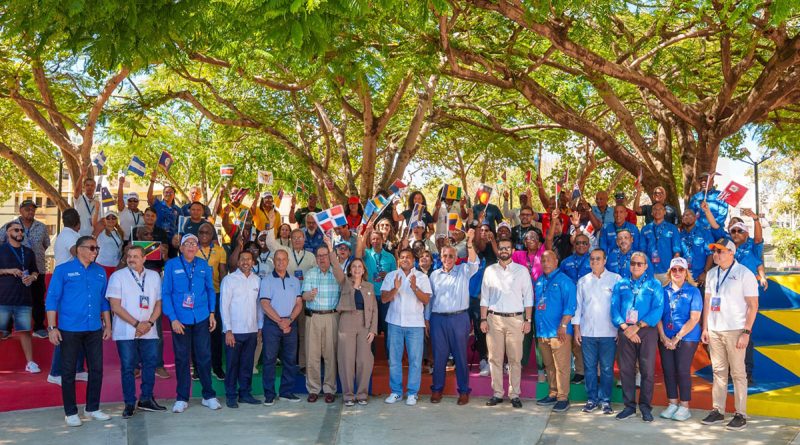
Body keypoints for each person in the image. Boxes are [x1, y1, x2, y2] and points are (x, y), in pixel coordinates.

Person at [45, 236, 112, 427]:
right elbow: (52, 299)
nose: (95, 251)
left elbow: (104, 301)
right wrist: (52, 327)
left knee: (97, 369)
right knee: (68, 371)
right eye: (92, 248)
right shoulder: (63, 270)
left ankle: (92, 408)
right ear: (79, 249)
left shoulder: (100, 271)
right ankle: (71, 412)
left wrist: (108, 325)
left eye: (97, 248)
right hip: (70, 329)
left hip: (94, 328)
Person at [700, 239, 758, 431]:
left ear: (731, 252)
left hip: (735, 330)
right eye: (714, 251)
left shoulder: (744, 274)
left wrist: (746, 332)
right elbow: (708, 302)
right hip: (715, 329)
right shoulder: (711, 273)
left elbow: (753, 305)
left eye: (720, 251)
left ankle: (741, 414)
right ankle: (718, 410)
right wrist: (705, 328)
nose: (715, 254)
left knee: (738, 373)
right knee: (718, 372)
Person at [161, 234, 221, 413]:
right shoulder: (171, 265)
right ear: (180, 247)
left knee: (204, 357)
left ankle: (208, 395)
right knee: (182, 358)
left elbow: (210, 290)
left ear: (197, 248)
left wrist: (212, 313)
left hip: (201, 317)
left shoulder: (203, 265)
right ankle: (182, 398)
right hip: (180, 320)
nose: (191, 246)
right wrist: (173, 318)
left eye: (194, 243)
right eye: (187, 243)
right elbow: (166, 293)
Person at [107, 246, 166, 419]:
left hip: (149, 329)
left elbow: (158, 304)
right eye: (129, 256)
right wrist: (137, 324)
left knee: (150, 364)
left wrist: (149, 323)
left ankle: (146, 399)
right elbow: (115, 306)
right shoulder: (118, 276)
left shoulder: (154, 276)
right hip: (126, 330)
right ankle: (129, 403)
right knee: (128, 367)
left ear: (144, 258)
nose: (131, 259)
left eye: (136, 256)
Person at [610, 251, 664, 422]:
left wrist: (637, 327)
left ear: (646, 266)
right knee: (626, 370)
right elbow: (614, 308)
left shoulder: (654, 284)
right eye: (633, 263)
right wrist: (626, 328)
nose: (635, 266)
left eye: (639, 263)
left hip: (646, 330)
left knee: (647, 371)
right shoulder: (621, 284)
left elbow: (658, 309)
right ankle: (629, 407)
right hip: (625, 329)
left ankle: (646, 407)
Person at [427, 230, 479, 405]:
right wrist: (427, 319)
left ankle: (463, 391)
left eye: (451, 256)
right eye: (445, 256)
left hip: (459, 318)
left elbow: (474, 262)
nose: (448, 259)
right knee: (439, 356)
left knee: (460, 356)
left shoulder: (464, 270)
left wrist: (469, 243)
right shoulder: (434, 275)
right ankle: (437, 390)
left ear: (456, 257)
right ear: (440, 257)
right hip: (438, 319)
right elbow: (430, 300)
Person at [481, 239, 534, 409]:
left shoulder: (522, 271)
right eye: (501, 248)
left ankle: (514, 394)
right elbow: (484, 297)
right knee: (494, 358)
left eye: (507, 248)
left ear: (512, 250)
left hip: (515, 320)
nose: (504, 250)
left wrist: (528, 320)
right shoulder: (490, 271)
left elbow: (528, 297)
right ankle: (497, 393)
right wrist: (483, 319)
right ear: (498, 250)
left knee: (515, 359)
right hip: (494, 319)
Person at [381, 248, 432, 406]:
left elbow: (426, 300)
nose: (405, 259)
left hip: (415, 324)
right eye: (402, 257)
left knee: (415, 361)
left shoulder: (422, 277)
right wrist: (395, 288)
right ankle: (396, 392)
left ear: (413, 260)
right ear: (399, 260)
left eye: (408, 257)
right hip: (395, 323)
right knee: (394, 360)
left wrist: (415, 287)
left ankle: (412, 393)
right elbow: (384, 299)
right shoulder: (391, 276)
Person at [573, 249, 620, 415]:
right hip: (587, 332)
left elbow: (620, 306)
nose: (594, 262)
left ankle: (606, 401)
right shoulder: (583, 281)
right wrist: (577, 329)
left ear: (605, 260)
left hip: (609, 332)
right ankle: (592, 399)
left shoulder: (615, 279)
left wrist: (619, 330)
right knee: (590, 368)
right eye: (592, 259)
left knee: (607, 369)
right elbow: (578, 307)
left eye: (598, 259)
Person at [657, 258, 702, 422]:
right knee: (668, 370)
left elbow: (694, 318)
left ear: (686, 272)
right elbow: (658, 316)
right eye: (674, 269)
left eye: (680, 269)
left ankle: (684, 406)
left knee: (682, 370)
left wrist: (676, 338)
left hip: (687, 337)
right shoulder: (663, 291)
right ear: (669, 272)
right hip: (666, 337)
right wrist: (663, 337)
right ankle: (673, 403)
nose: (677, 272)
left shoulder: (693, 291)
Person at [47, 209, 88, 386]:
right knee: (67, 330)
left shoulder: (68, 234)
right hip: (68, 284)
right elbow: (79, 254)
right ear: (78, 222)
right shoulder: (69, 235)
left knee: (82, 328)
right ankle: (55, 372)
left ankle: (78, 369)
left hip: (75, 284)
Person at [301, 241, 345, 403]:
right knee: (312, 355)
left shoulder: (337, 273)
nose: (321, 259)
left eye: (324, 255)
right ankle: (313, 389)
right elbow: (303, 295)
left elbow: (345, 291)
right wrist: (308, 295)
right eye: (319, 256)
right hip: (313, 317)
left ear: (330, 256)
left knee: (330, 355)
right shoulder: (310, 273)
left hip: (332, 317)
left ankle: (329, 389)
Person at [534, 250, 577, 412]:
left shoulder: (565, 281)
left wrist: (563, 325)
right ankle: (553, 393)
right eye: (543, 261)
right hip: (542, 332)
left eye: (549, 260)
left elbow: (570, 306)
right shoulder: (539, 281)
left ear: (556, 261)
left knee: (561, 366)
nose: (545, 263)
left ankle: (563, 398)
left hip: (559, 332)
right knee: (549, 366)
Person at [0, 199, 50, 338]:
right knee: (11, 299)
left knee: (38, 299)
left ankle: (39, 327)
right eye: (27, 209)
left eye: (33, 209)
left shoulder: (42, 227)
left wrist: (33, 256)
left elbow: (45, 244)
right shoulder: (9, 226)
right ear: (20, 210)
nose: (30, 211)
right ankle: (6, 329)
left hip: (36, 270)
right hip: (14, 271)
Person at [219, 250, 263, 408]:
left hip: (251, 330)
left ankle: (245, 394)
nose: (246, 262)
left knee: (247, 365)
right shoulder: (229, 280)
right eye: (242, 259)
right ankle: (231, 395)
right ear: (237, 263)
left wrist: (260, 326)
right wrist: (228, 330)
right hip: (234, 331)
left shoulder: (257, 280)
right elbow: (224, 306)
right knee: (232, 365)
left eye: (249, 259)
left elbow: (259, 306)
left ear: (253, 262)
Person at [259, 249, 303, 405]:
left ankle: (286, 392)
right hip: (272, 324)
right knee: (269, 359)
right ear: (274, 261)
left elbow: (299, 303)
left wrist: (288, 320)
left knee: (290, 359)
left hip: (290, 323)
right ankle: (269, 394)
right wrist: (280, 321)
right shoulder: (266, 280)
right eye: (278, 259)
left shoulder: (295, 281)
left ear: (288, 261)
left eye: (284, 259)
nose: (281, 262)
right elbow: (265, 304)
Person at [337, 257, 378, 406]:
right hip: (347, 321)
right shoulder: (344, 282)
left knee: (364, 360)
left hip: (364, 324)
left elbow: (374, 309)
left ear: (363, 270)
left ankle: (362, 394)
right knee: (346, 359)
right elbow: (336, 268)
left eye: (359, 266)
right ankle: (348, 395)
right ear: (349, 269)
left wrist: (373, 330)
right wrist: (330, 250)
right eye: (353, 266)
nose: (356, 269)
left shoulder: (369, 286)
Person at [0, 221, 40, 373]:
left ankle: (30, 363)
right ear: (8, 232)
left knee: (25, 331)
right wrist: (9, 271)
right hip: (3, 299)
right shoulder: (1, 250)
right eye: (16, 230)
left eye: (21, 230)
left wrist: (32, 277)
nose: (20, 233)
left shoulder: (28, 252)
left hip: (23, 299)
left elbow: (35, 271)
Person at [197, 222, 228, 380]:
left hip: (214, 295)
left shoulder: (220, 250)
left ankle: (216, 367)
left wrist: (223, 295)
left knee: (215, 333)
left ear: (212, 235)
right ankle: (198, 368)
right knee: (197, 332)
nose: (204, 235)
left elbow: (222, 273)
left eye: (207, 232)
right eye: (201, 232)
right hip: (197, 296)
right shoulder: (192, 249)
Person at [359, 226, 397, 352]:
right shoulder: (366, 254)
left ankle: (389, 355)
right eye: (373, 239)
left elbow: (396, 277)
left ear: (383, 239)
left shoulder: (390, 257)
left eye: (377, 239)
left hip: (385, 297)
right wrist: (365, 234)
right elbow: (359, 252)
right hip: (370, 296)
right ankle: (371, 355)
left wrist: (388, 275)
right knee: (370, 326)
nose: (375, 241)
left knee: (387, 327)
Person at [511, 230, 545, 369]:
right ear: (524, 242)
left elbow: (549, 238)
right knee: (524, 333)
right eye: (528, 238)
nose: (531, 240)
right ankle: (521, 362)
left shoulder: (543, 253)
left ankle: (542, 366)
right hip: (523, 301)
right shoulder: (518, 255)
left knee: (540, 334)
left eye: (534, 238)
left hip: (540, 301)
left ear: (539, 243)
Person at [640, 203, 681, 284]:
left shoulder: (672, 228)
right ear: (652, 212)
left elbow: (676, 251)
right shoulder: (645, 229)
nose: (657, 211)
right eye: (655, 209)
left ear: (665, 212)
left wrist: (674, 270)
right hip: (650, 271)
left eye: (660, 209)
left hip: (667, 270)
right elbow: (642, 251)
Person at [678, 208, 714, 288]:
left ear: (695, 218)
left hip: (700, 276)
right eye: (685, 215)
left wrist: (705, 273)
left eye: (690, 215)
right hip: (684, 276)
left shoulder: (704, 232)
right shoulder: (680, 235)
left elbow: (710, 253)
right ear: (682, 219)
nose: (687, 216)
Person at [147, 170, 182, 240]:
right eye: (166, 192)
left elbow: (181, 225)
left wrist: (178, 236)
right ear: (163, 194)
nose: (168, 194)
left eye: (171, 192)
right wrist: (152, 181)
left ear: (174, 195)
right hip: (157, 237)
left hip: (172, 240)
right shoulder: (157, 204)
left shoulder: (178, 209)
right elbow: (149, 197)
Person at [93, 212, 124, 277]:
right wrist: (97, 209)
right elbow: (93, 237)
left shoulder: (119, 232)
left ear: (116, 220)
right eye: (108, 218)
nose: (111, 220)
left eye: (113, 218)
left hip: (115, 265)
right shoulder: (101, 230)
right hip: (102, 264)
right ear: (105, 219)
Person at [73, 170, 100, 236]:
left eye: (92, 185)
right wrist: (82, 175)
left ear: (95, 187)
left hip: (93, 236)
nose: (90, 187)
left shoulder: (97, 202)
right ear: (83, 187)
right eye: (87, 185)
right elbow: (77, 190)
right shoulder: (79, 199)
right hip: (79, 235)